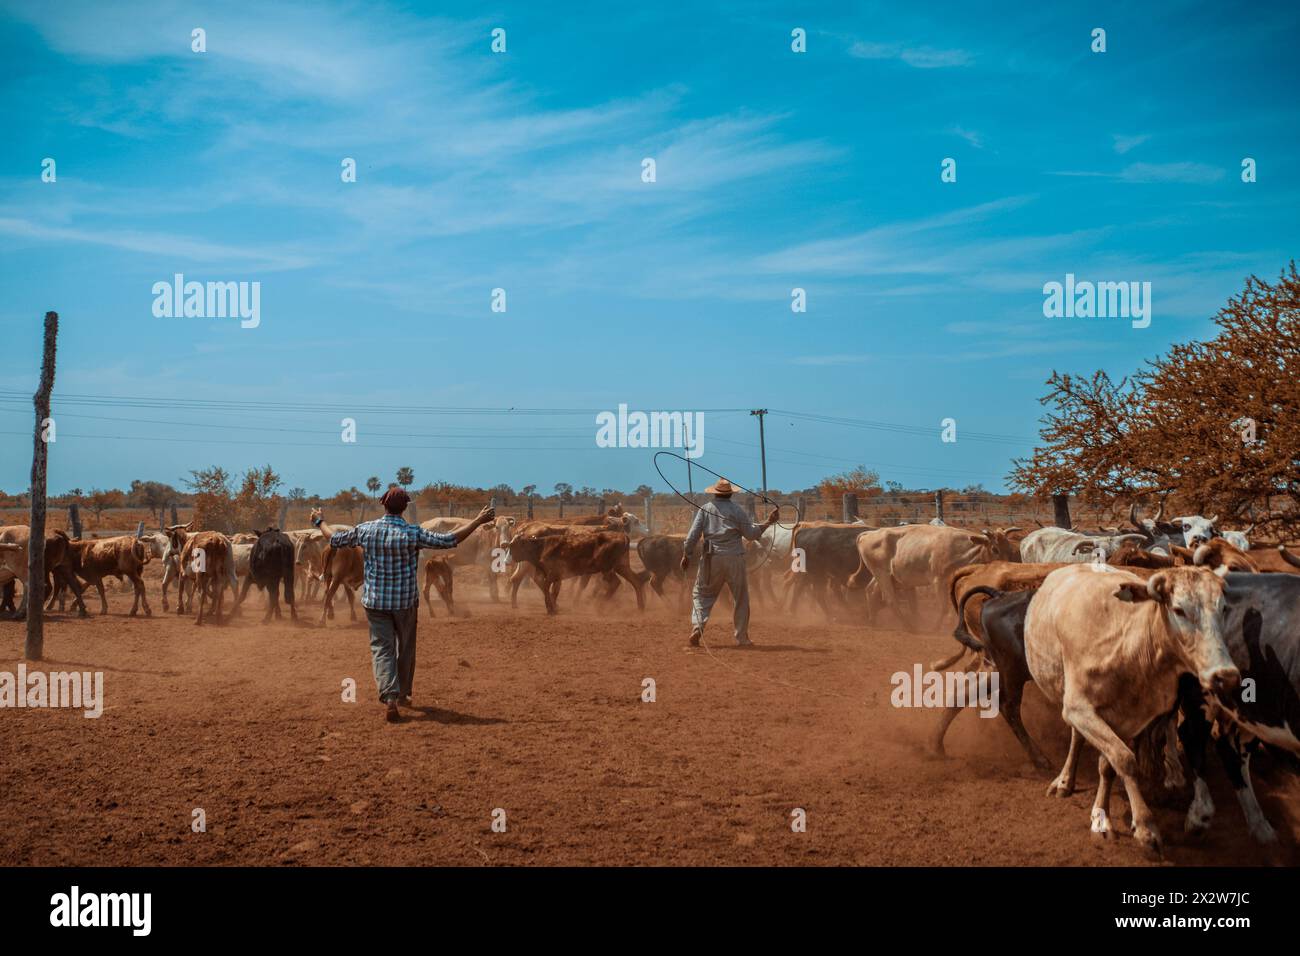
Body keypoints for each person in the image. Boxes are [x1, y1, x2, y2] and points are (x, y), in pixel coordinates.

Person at [311, 486, 494, 723]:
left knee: (382, 648)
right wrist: (478, 520)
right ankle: (404, 693)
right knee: (406, 647)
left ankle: (389, 696)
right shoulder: (413, 533)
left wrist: (319, 521)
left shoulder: (367, 530)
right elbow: (450, 540)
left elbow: (333, 538)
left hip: (376, 602)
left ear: (383, 505)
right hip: (405, 602)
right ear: (405, 507)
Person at [681, 478, 779, 648]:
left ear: (715, 493)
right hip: (735, 557)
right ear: (731, 494)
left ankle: (698, 626)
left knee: (702, 595)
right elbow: (751, 534)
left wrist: (686, 555)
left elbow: (692, 537)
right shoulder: (737, 510)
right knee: (740, 598)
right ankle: (742, 637)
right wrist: (769, 522)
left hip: (712, 559)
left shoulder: (705, 509)